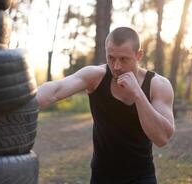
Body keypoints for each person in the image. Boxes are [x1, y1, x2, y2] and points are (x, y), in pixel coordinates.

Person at [35, 27, 175, 184]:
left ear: (139, 55)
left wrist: (138, 93)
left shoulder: (158, 85)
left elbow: (162, 138)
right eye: (111, 58)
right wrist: (19, 99)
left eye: (124, 59)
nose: (116, 66)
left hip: (141, 177)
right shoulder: (95, 77)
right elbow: (56, 89)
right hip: (102, 176)